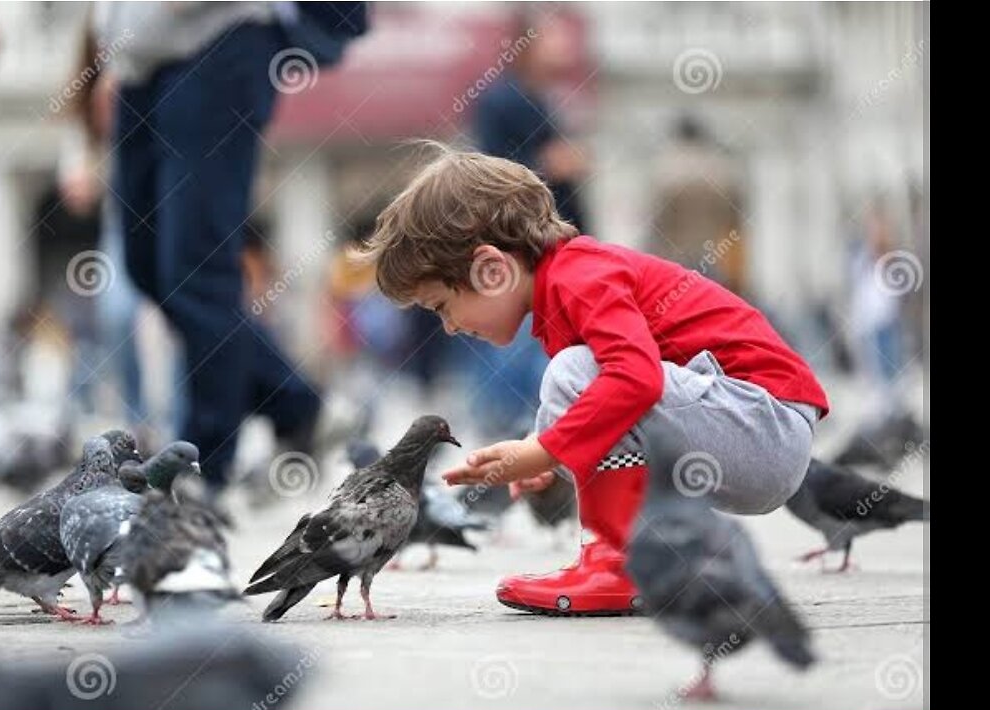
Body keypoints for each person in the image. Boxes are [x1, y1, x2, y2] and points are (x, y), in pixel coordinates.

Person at [355, 144, 829, 616]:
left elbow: (635, 376)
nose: (449, 326)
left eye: (441, 306)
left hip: (765, 425)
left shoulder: (581, 276)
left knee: (577, 373)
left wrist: (545, 448)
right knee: (580, 382)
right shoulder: (565, 291)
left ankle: (618, 566)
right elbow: (620, 408)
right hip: (753, 430)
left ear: (493, 268)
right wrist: (546, 451)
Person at [96, 2, 367, 499]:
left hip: (218, 43)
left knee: (197, 269)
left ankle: (206, 467)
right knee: (146, 264)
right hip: (142, 64)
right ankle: (297, 404)